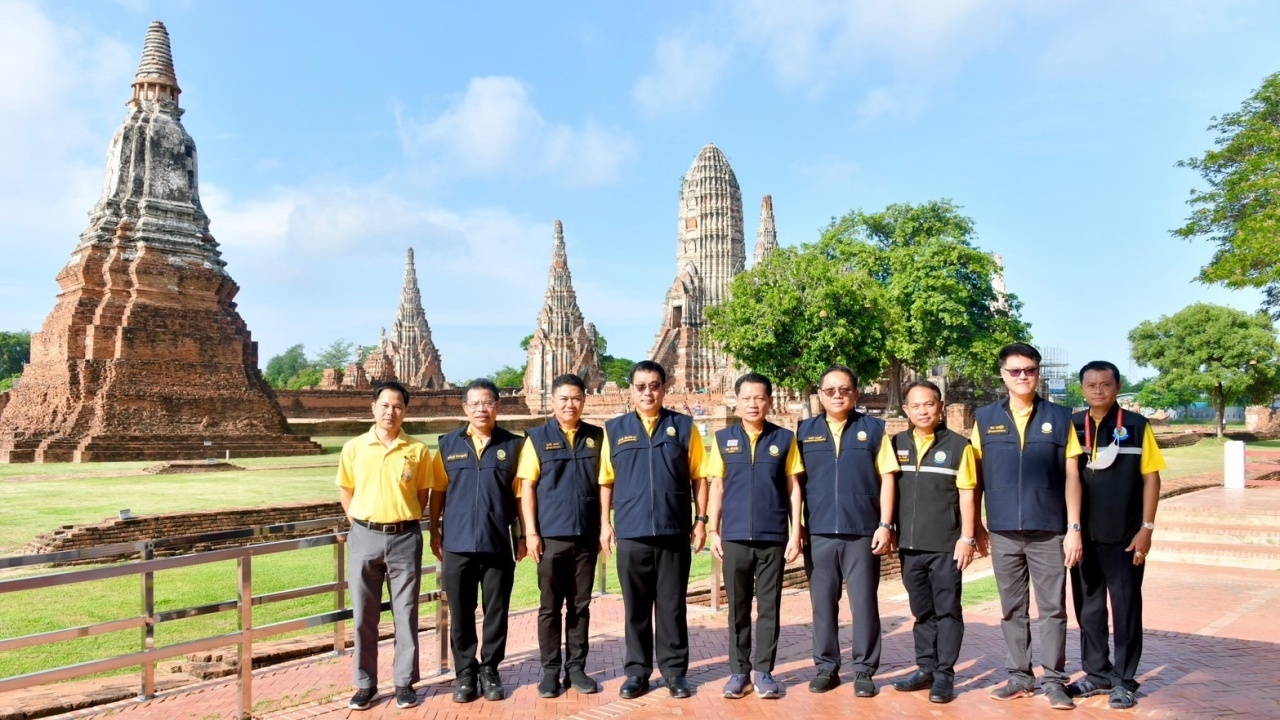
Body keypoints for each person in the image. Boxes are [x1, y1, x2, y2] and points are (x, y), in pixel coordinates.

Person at [972, 343, 1084, 710]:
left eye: (1030, 370)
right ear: (1003, 375)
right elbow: (972, 478)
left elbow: (1072, 476)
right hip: (1004, 530)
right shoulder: (985, 419)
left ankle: (1053, 679)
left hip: (1049, 529)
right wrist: (975, 527)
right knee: (1012, 608)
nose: (1023, 376)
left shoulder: (1060, 417)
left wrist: (1074, 528)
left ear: (1038, 373)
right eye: (1015, 371)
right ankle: (1020, 676)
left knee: (1052, 609)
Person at [599, 360, 709, 700]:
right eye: (641, 386)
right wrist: (605, 522)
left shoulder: (684, 427)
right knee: (636, 607)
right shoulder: (614, 429)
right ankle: (637, 672)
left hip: (674, 529)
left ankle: (675, 672)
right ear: (632, 389)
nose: (648, 392)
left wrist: (701, 519)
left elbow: (699, 477)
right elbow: (606, 479)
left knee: (672, 606)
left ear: (665, 387)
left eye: (655, 385)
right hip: (632, 531)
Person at [1067, 361, 1165, 710]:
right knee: (1088, 609)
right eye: (1091, 385)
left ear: (1116, 386)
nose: (1098, 391)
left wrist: (1146, 529)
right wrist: (1071, 530)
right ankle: (1096, 674)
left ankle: (1124, 680)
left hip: (1124, 536)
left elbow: (1152, 478)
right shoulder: (1072, 425)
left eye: (1105, 384)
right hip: (1082, 538)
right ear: (1082, 389)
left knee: (1125, 609)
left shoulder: (1136, 426)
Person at [797, 365, 899, 698]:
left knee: (864, 603)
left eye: (844, 390)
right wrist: (795, 527)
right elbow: (794, 485)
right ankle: (826, 667)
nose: (837, 395)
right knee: (823, 604)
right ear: (820, 395)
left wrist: (885, 524)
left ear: (856, 393)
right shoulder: (804, 432)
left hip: (862, 531)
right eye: (830, 390)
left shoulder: (873, 430)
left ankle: (865, 670)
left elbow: (888, 478)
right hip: (820, 531)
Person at [705, 372, 804, 700]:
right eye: (746, 397)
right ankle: (739, 671)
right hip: (733, 536)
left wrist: (795, 532)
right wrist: (712, 529)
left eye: (759, 397)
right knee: (738, 607)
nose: (752, 403)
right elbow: (716, 486)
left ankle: (763, 671)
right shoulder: (722, 439)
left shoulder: (785, 439)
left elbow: (793, 487)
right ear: (736, 400)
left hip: (773, 534)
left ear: (769, 402)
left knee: (769, 606)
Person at [337, 381, 433, 711]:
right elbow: (346, 490)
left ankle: (404, 682)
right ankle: (366, 684)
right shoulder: (354, 447)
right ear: (373, 408)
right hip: (364, 534)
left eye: (397, 407)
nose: (390, 412)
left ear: (405, 411)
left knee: (406, 612)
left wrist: (403, 519)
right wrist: (360, 524)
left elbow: (423, 494)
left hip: (405, 535)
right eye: (385, 405)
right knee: (364, 614)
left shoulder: (417, 450)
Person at [428, 379, 525, 703]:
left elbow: (522, 494)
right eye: (475, 404)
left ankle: (491, 669)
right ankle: (466, 673)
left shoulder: (514, 445)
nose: (481, 409)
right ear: (465, 408)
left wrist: (524, 534)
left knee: (496, 611)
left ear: (498, 405)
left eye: (488, 403)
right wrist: (434, 530)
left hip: (497, 541)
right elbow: (438, 493)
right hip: (458, 542)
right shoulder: (448, 444)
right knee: (461, 611)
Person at [889, 380, 982, 704]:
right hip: (910, 546)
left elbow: (968, 493)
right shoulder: (895, 443)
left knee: (947, 611)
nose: (923, 410)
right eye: (916, 405)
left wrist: (967, 538)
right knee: (922, 612)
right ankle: (925, 668)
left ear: (940, 406)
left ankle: (945, 674)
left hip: (945, 545)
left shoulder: (959, 446)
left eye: (929, 404)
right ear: (906, 410)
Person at [516, 373, 605, 698]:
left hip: (585, 536)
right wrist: (532, 532)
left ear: (584, 400)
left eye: (576, 398)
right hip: (550, 537)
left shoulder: (597, 437)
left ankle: (577, 669)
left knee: (580, 606)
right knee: (550, 607)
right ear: (553, 401)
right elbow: (527, 487)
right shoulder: (537, 438)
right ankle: (550, 671)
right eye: (564, 398)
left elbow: (605, 484)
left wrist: (604, 525)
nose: (571, 404)